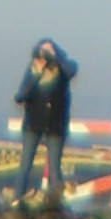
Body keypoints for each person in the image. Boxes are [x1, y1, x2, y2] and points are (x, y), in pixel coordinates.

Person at [13, 39, 76, 204]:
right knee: (25, 164)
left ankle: (57, 204)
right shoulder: (33, 70)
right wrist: (37, 74)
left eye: (48, 51)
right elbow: (20, 96)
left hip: (56, 125)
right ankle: (17, 199)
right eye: (42, 51)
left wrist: (56, 58)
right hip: (33, 124)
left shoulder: (63, 69)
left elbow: (71, 71)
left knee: (55, 167)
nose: (44, 55)